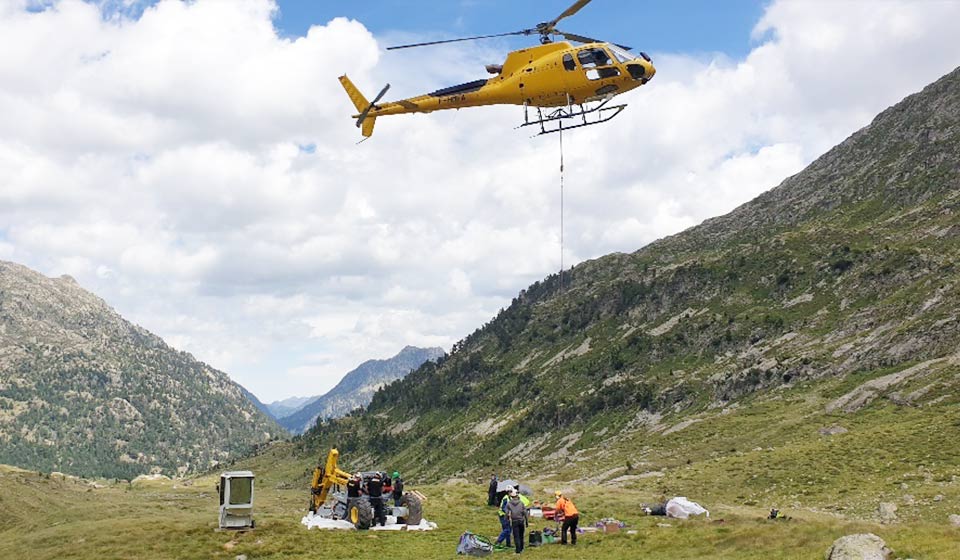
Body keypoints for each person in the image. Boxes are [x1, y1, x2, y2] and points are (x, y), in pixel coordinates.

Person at [504, 489, 528, 554]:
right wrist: (526, 522)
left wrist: (505, 520)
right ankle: (522, 548)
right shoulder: (521, 503)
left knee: (516, 536)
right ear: (517, 496)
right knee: (521, 535)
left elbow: (506, 513)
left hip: (514, 521)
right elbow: (525, 512)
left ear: (511, 496)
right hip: (521, 521)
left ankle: (518, 551)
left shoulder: (509, 504)